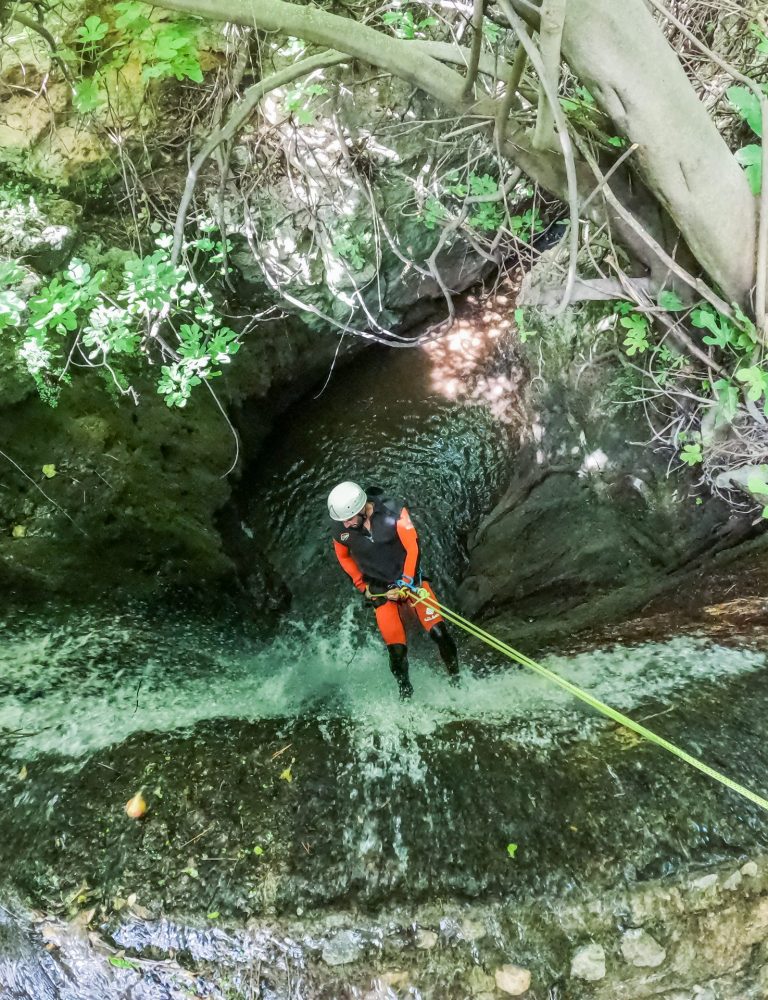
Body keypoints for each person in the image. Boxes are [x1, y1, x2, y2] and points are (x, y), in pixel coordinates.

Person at [328, 480, 460, 699]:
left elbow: (412, 546)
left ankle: (456, 680)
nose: (347, 524)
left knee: (439, 633)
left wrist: (407, 582)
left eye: (350, 518)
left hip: (411, 582)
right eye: (343, 520)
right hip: (380, 589)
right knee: (397, 652)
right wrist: (363, 587)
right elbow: (343, 557)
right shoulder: (341, 528)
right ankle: (405, 692)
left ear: (362, 508)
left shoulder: (394, 511)